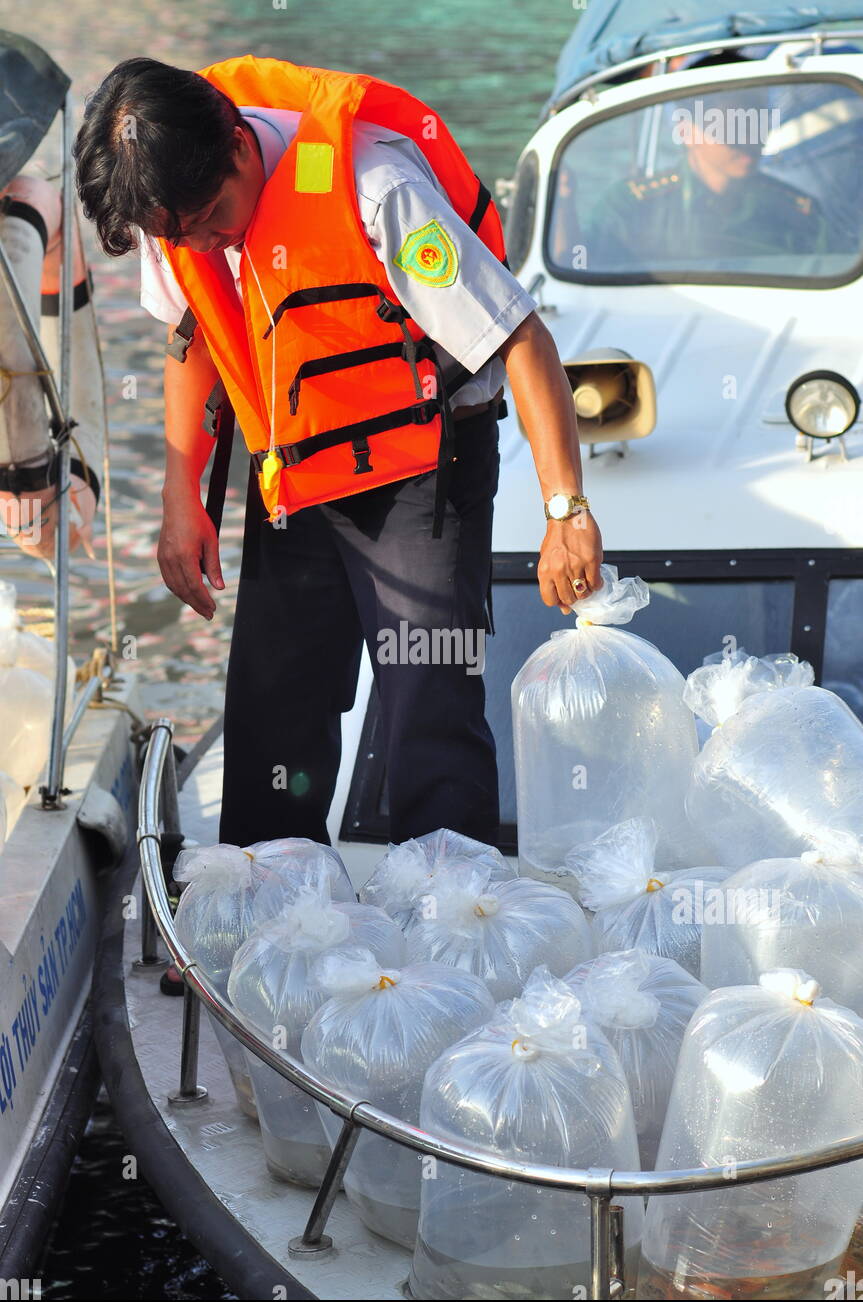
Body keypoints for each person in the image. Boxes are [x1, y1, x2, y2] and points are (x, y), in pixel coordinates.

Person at [74, 54, 602, 868]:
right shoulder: (171, 203)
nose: (210, 241)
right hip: (298, 466)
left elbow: (521, 337)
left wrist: (564, 512)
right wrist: (182, 496)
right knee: (273, 711)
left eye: (218, 217)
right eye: (188, 236)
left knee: (427, 700)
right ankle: (270, 908)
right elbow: (197, 333)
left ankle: (455, 918)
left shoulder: (376, 187)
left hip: (424, 467)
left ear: (242, 150)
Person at [587, 93, 830, 268]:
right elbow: (579, 272)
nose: (747, 139)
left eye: (757, 125)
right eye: (729, 127)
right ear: (686, 132)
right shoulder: (628, 206)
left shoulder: (798, 213)